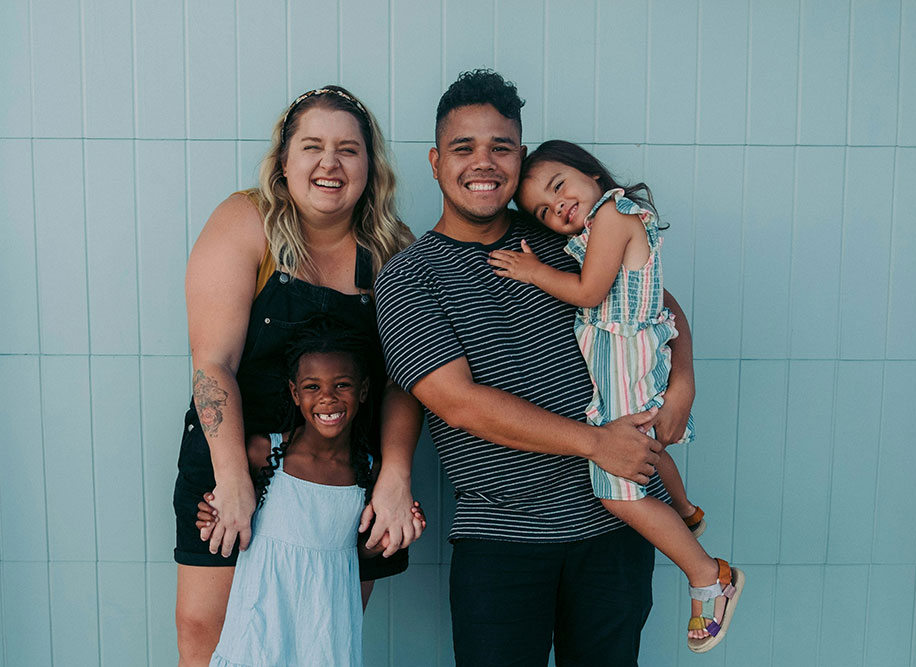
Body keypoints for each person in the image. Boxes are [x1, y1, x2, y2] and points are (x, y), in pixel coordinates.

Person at [373, 69, 696, 666]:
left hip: (615, 528)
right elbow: (459, 403)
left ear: (521, 159)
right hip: (502, 543)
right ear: (435, 162)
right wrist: (597, 443)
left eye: (501, 148)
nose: (483, 163)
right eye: (463, 148)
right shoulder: (409, 276)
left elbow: (656, 302)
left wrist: (683, 386)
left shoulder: (562, 236)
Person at [173, 85, 423, 666]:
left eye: (348, 150)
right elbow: (214, 363)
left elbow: (405, 380)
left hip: (338, 479)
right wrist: (233, 479)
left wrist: (397, 477)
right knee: (206, 636)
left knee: (318, 639)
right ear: (283, 162)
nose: (329, 163)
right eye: (312, 146)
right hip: (236, 457)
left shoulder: (394, 250)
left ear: (371, 166)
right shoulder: (245, 221)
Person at [488, 139, 744, 653]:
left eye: (559, 186)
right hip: (620, 364)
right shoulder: (599, 226)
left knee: (614, 491)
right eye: (543, 209)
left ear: (592, 174)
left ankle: (708, 576)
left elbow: (587, 293)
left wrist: (532, 271)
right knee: (646, 448)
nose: (556, 207)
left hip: (627, 360)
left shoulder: (611, 216)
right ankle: (686, 509)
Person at [205, 320, 416, 667]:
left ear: (363, 390)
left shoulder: (369, 472)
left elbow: (360, 550)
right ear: (294, 392)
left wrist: (382, 541)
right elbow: (231, 511)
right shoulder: (262, 453)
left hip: (325, 632)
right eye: (312, 386)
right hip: (260, 629)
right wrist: (212, 514)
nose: (327, 398)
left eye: (342, 385)